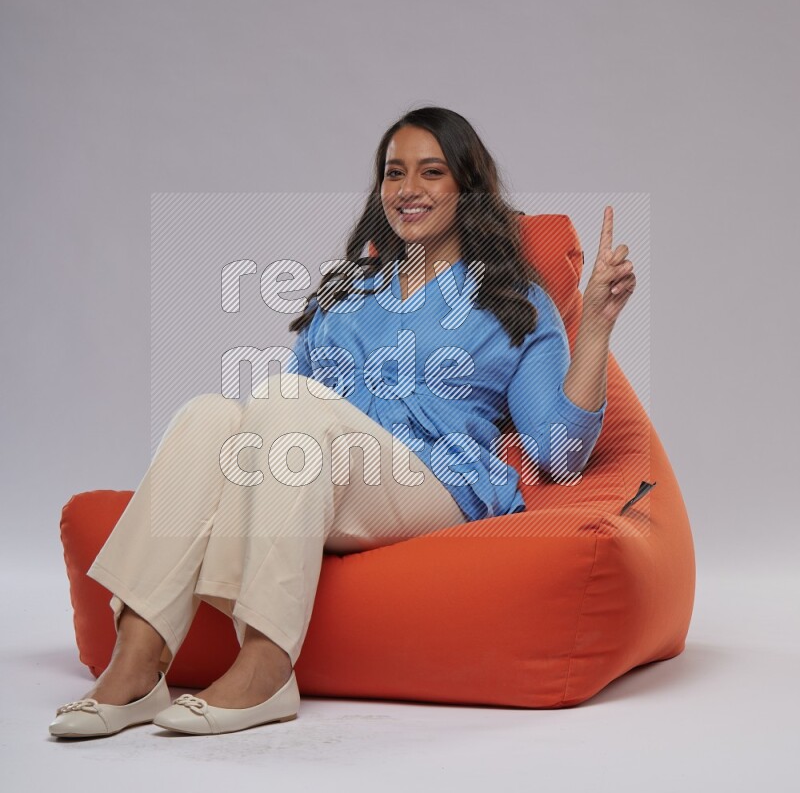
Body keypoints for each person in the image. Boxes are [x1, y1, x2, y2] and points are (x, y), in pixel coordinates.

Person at [49, 106, 636, 739]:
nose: (407, 189)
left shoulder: (514, 301)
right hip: (325, 476)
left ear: (466, 186)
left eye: (431, 171)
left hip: (435, 483)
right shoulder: (346, 292)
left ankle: (268, 665)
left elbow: (559, 454)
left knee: (288, 400)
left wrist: (595, 327)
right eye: (394, 173)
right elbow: (279, 418)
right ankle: (136, 664)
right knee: (206, 415)